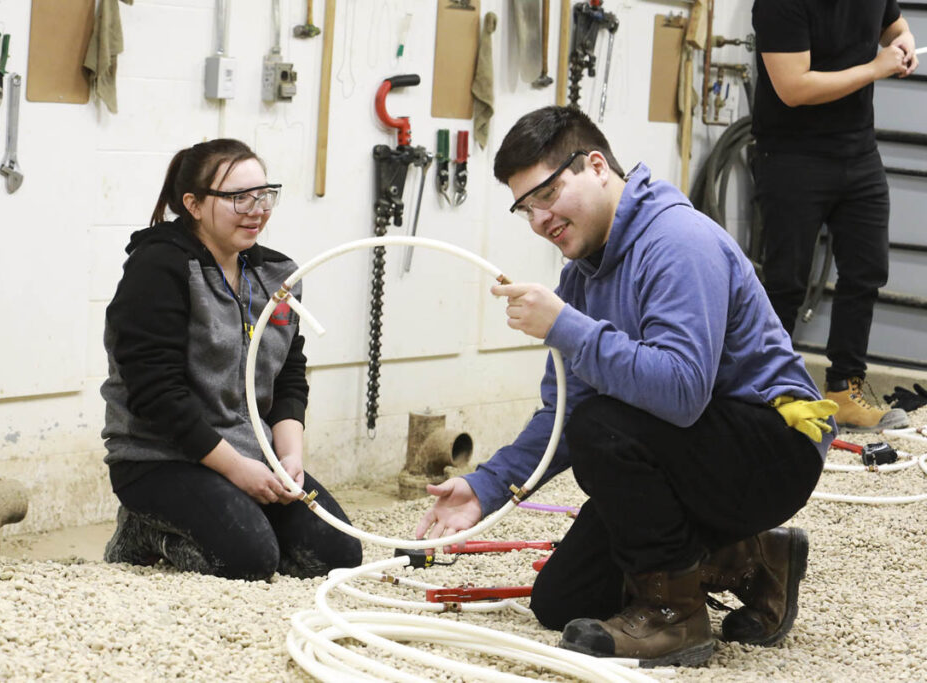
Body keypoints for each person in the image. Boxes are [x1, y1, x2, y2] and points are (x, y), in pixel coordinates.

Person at [416, 106, 838, 667]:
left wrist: (565, 326)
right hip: (692, 452)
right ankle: (754, 559)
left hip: (773, 449)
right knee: (563, 600)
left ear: (595, 165)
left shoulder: (677, 241)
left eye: (546, 194)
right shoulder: (581, 277)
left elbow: (682, 393)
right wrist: (488, 485)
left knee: (606, 428)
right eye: (525, 208)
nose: (539, 220)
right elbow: (564, 414)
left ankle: (675, 619)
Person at [100, 138, 362, 580]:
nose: (257, 208)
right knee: (248, 561)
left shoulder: (276, 273)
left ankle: (237, 514)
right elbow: (156, 396)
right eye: (239, 197)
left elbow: (289, 376)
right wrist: (239, 471)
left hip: (251, 452)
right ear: (194, 205)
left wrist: (288, 455)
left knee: (337, 555)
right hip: (159, 458)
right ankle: (142, 531)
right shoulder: (158, 269)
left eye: (264, 195)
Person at [752, 0, 917, 432]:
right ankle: (768, 392)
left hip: (858, 152)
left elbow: (894, 26)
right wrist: (876, 68)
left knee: (865, 272)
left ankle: (844, 390)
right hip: (791, 155)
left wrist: (904, 45)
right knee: (785, 282)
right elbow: (793, 88)